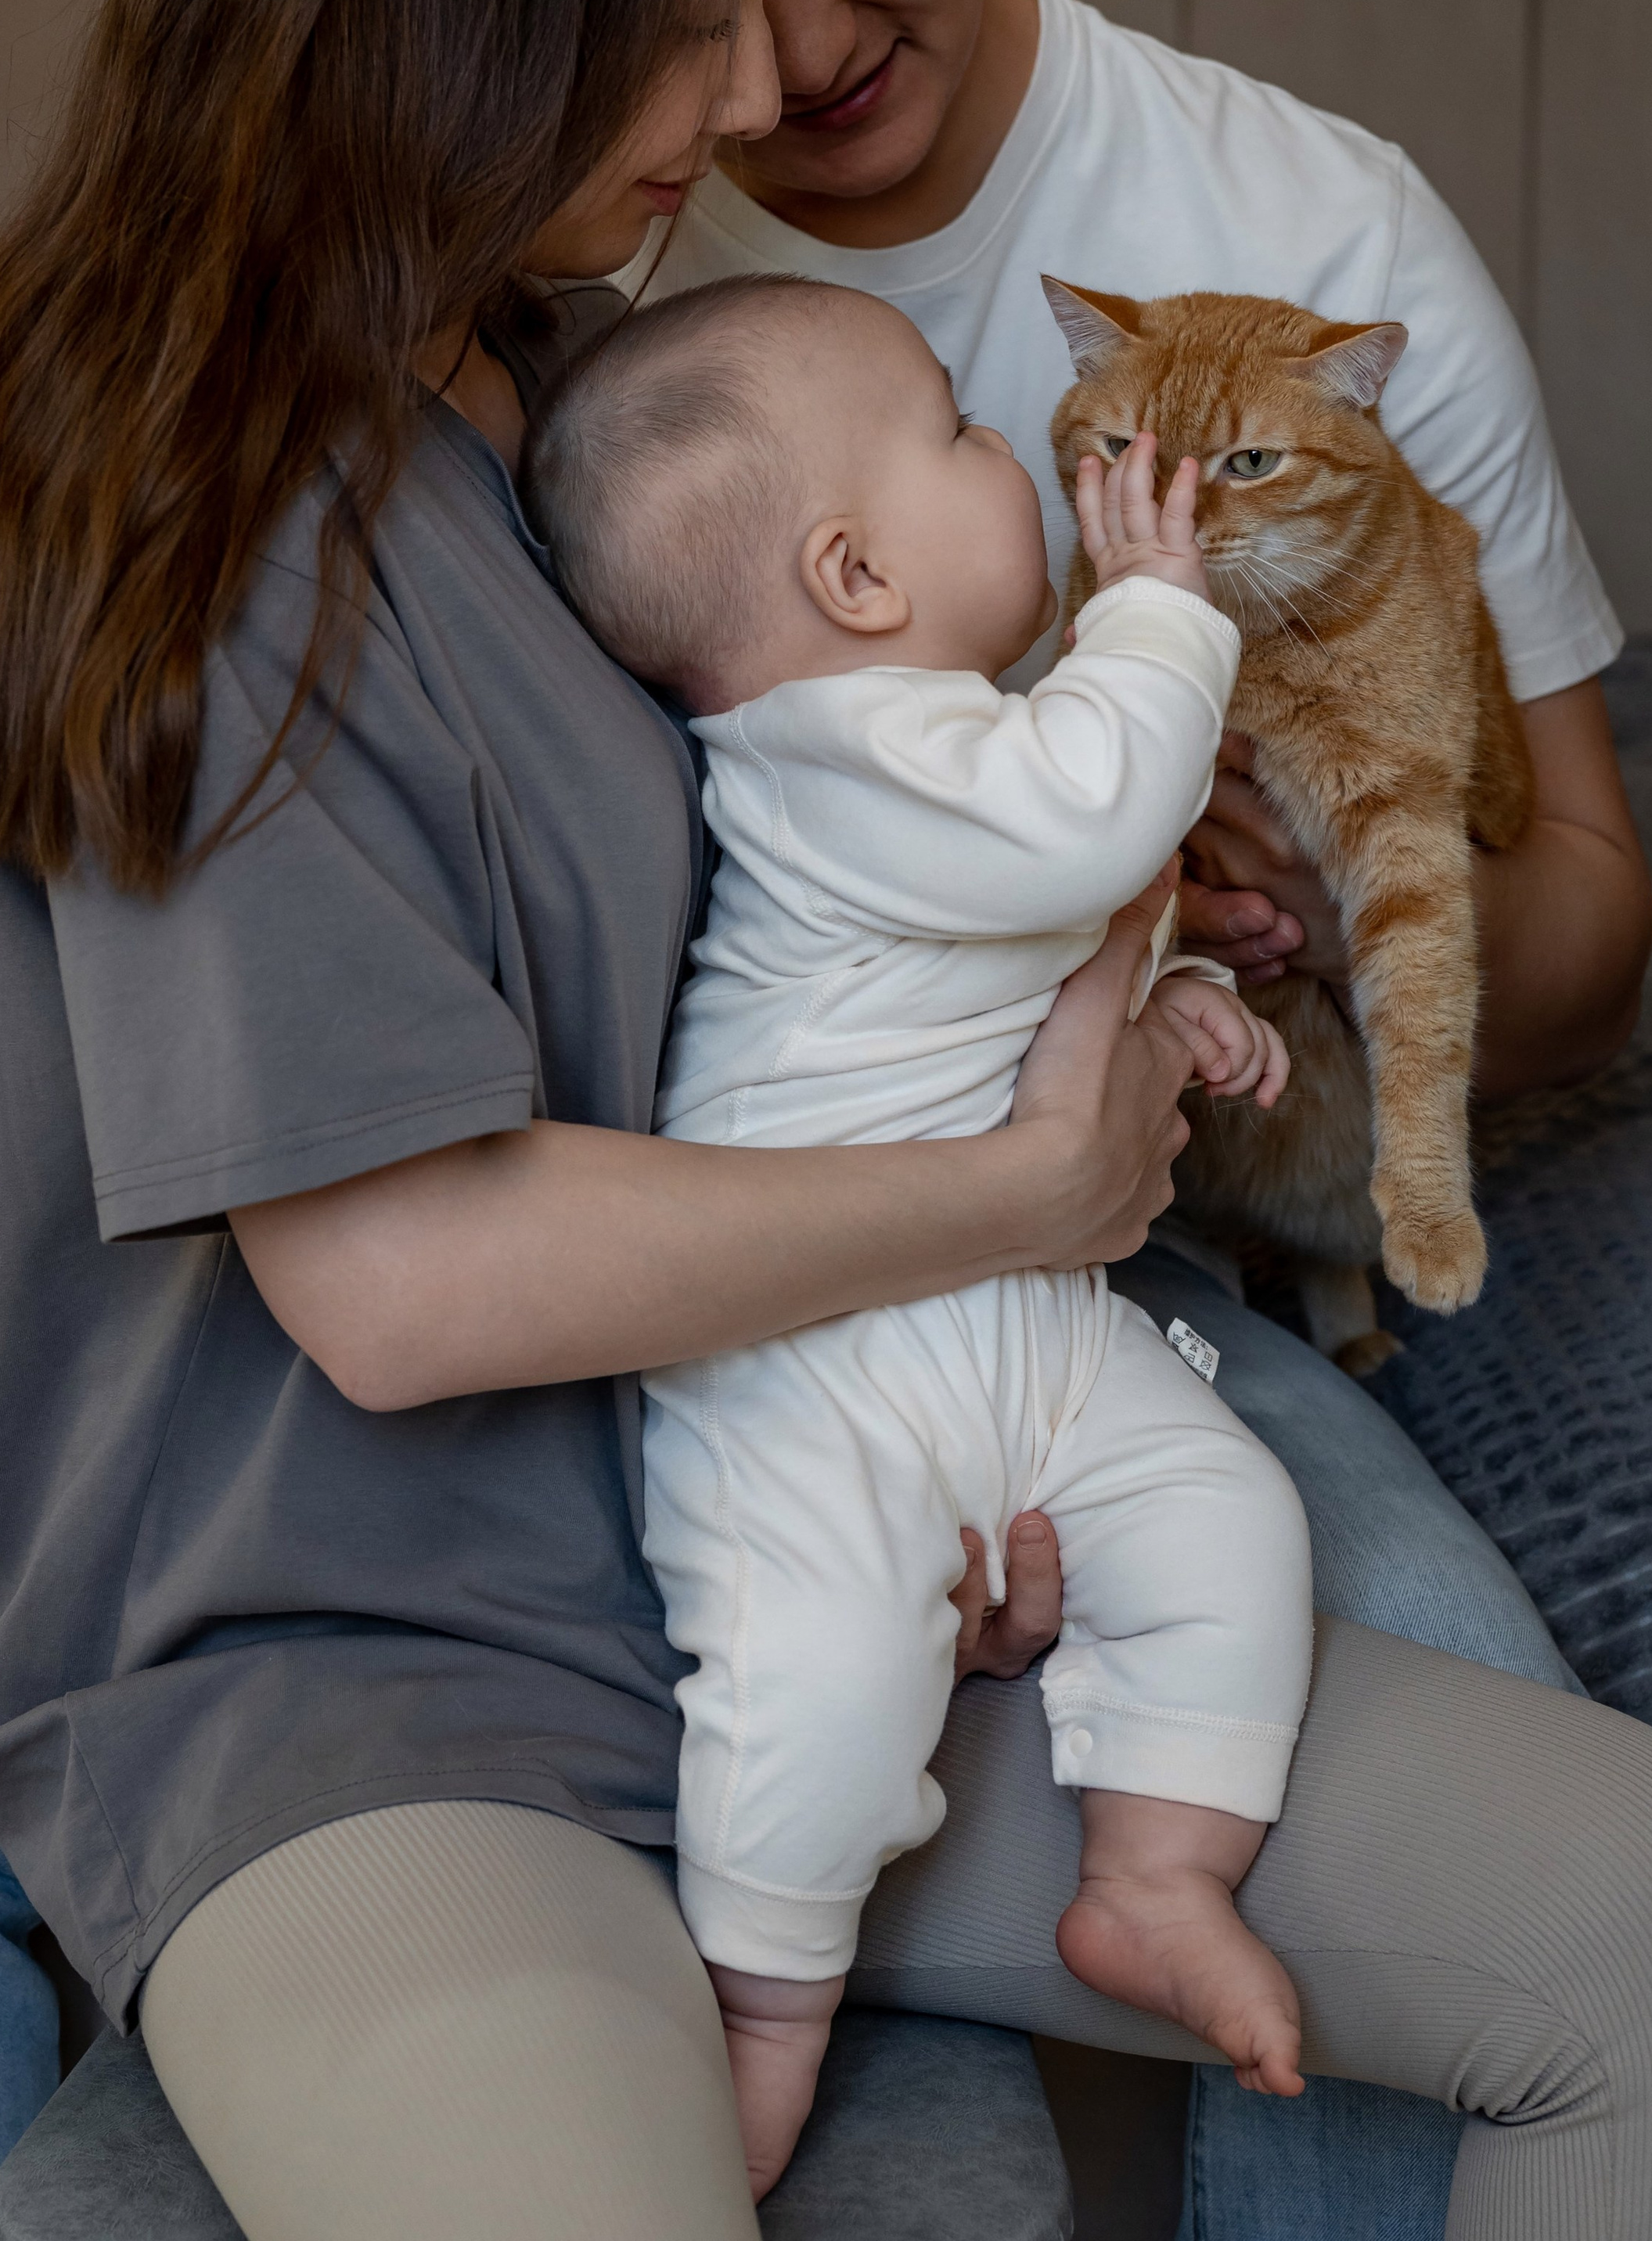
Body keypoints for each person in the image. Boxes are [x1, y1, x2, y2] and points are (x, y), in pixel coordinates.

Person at [0, 0, 1652, 2241]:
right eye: (684, 22)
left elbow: (785, 963)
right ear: (472, 4)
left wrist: (962, 1419)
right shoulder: (199, 515)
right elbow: (400, 1283)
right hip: (388, 1695)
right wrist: (1017, 1189)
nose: (756, 98)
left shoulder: (567, 388)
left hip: (777, 1531)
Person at [556, 0, 1652, 2222]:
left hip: (1144, 1242)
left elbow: (1600, 912)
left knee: (1504, 1829)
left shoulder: (1305, 235)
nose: (796, 46)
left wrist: (1324, 879)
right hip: (685, 1244)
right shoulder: (576, 254)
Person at [531, 272, 1311, 2190]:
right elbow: (1072, 831)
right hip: (816, 1359)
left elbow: (1031, 939)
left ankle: (1149, 1871)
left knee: (1231, 1523)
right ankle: (761, 2005)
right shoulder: (831, 748)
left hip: (1024, 1323)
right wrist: (1159, 613)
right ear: (855, 575)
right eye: (966, 429)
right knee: (813, 1675)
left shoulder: (937, 740)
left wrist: (1166, 995)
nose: (1018, 456)